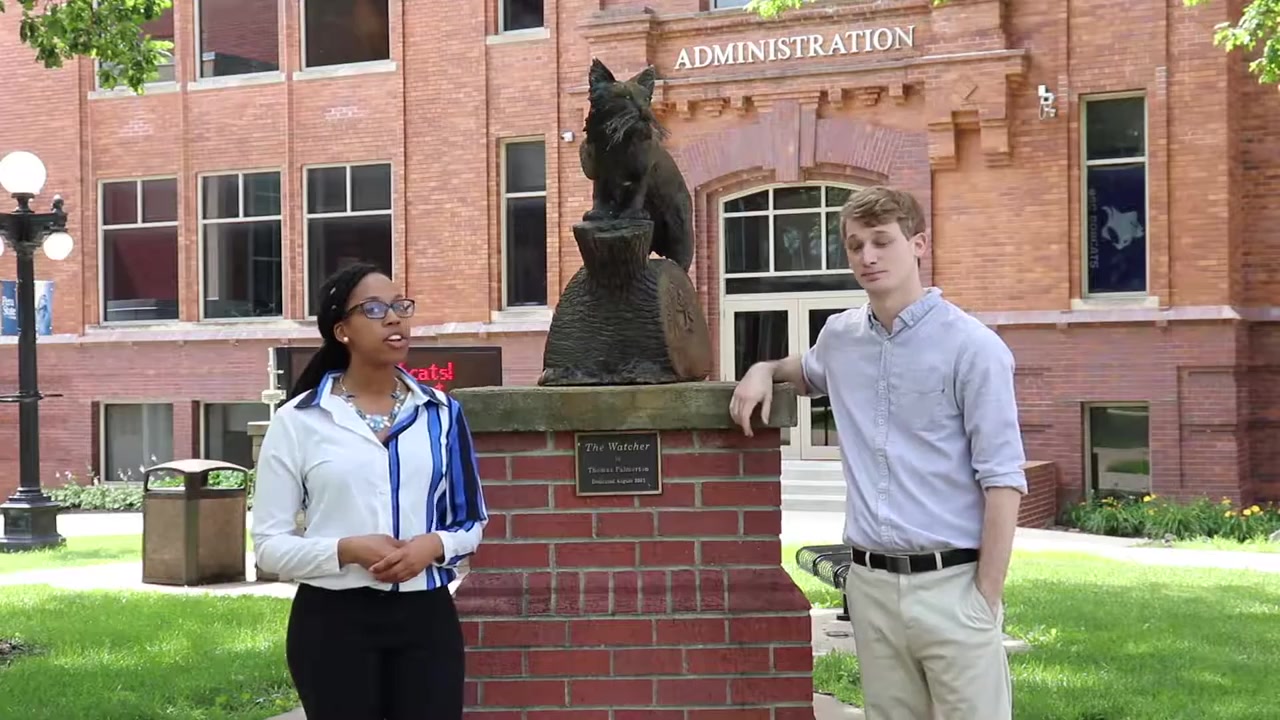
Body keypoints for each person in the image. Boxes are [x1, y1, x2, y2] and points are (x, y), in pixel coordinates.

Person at [729, 186, 1026, 720]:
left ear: (918, 244)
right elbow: (801, 370)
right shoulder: (841, 338)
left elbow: (1003, 479)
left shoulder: (973, 348)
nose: (867, 256)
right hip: (870, 589)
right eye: (855, 245)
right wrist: (761, 369)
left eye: (882, 241)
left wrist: (986, 596)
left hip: (954, 587)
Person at [251, 262, 488, 720]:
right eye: (376, 309)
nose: (395, 318)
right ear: (342, 330)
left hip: (426, 619)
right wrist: (348, 549)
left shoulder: (442, 413)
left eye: (401, 306)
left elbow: (471, 521)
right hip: (333, 623)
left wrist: (433, 546)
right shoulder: (299, 420)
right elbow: (269, 547)